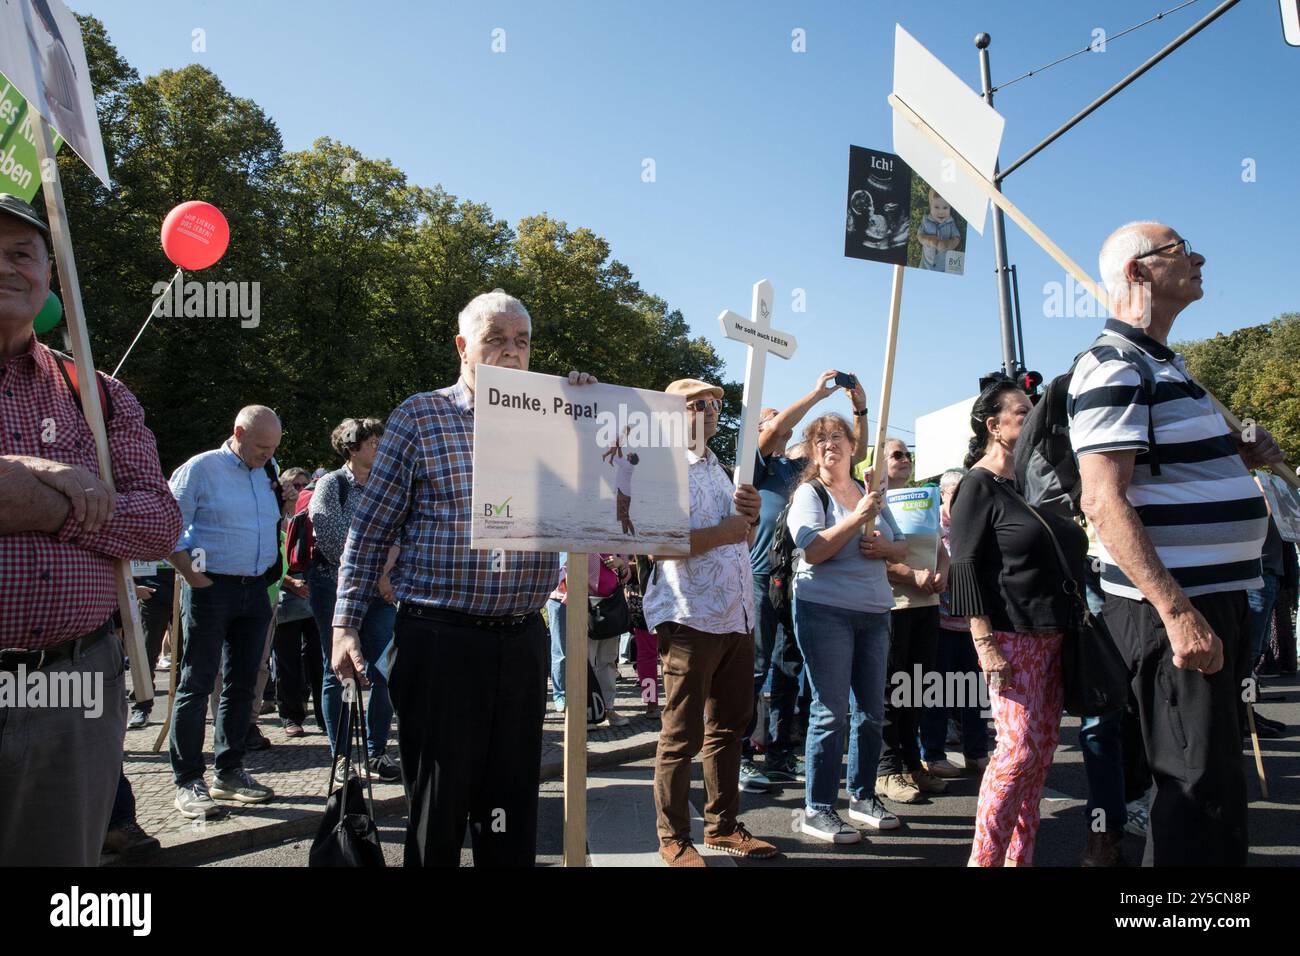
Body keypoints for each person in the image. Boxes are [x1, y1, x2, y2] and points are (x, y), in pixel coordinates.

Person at [331, 289, 597, 866]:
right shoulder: (421, 416)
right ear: (462, 347)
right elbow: (370, 529)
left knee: (511, 805)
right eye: (495, 340)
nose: (511, 353)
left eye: (521, 342)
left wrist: (590, 414)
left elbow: (603, 496)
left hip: (523, 638)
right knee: (439, 807)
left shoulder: (556, 419)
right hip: (441, 641)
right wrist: (345, 625)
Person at [1071, 222, 1282, 866]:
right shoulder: (1112, 364)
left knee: (1216, 778)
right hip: (1174, 607)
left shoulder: (1168, 364)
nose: (1198, 257)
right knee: (1191, 786)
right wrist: (1176, 610)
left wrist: (1240, 454)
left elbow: (1169, 477)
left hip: (1214, 596)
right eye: (1179, 249)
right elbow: (1102, 499)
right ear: (1137, 273)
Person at [0, 194, 182, 866]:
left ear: (51, 273)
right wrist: (38, 472)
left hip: (72, 690)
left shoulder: (95, 394)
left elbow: (159, 524)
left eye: (22, 252)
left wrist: (47, 508)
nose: (7, 267)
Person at [949, 381, 1087, 866]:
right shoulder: (977, 484)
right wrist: (984, 643)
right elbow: (963, 564)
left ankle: (1019, 858)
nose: (1034, 420)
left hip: (1057, 634)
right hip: (1011, 636)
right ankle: (984, 860)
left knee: (1041, 755)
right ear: (995, 426)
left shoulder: (1032, 485)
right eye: (1023, 412)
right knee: (1017, 755)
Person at [643, 377, 778, 866]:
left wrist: (753, 517)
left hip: (734, 614)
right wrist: (726, 531)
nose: (712, 410)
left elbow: (740, 537)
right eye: (699, 403)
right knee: (681, 733)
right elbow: (657, 543)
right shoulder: (660, 464)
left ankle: (722, 826)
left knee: (729, 725)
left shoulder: (721, 467)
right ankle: (673, 837)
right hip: (688, 616)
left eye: (717, 403)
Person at [746, 370, 869, 793]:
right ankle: (742, 755)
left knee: (785, 668)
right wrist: (817, 394)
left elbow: (856, 453)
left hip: (793, 580)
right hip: (759, 577)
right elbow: (779, 428)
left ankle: (779, 756)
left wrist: (860, 407)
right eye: (770, 418)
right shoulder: (756, 465)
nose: (780, 419)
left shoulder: (800, 470)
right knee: (756, 667)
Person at [787, 413, 906, 842]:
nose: (828, 444)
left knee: (871, 713)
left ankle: (861, 795)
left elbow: (900, 543)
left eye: (837, 436)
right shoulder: (809, 493)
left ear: (854, 447)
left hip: (874, 612)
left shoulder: (870, 491)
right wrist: (857, 520)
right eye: (819, 439)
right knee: (830, 711)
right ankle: (818, 807)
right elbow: (814, 550)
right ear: (811, 450)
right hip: (824, 610)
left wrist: (884, 546)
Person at [167, 405, 284, 818]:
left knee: (243, 684)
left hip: (255, 589)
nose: (266, 455)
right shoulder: (200, 469)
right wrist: (194, 578)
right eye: (260, 447)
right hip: (211, 587)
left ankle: (230, 771)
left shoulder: (266, 471)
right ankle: (188, 779)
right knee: (196, 683)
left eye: (272, 448)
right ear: (237, 432)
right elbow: (168, 527)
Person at [309, 418, 400, 782]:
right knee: (339, 672)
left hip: (380, 595)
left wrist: (383, 571)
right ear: (352, 447)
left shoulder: (389, 487)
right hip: (335, 589)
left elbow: (401, 533)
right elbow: (331, 537)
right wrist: (378, 570)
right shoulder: (332, 485)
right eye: (374, 441)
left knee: (382, 670)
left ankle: (376, 752)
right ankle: (343, 757)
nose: (381, 447)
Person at [877, 437, 950, 803]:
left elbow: (941, 548)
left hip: (927, 604)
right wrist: (911, 575)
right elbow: (874, 555)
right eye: (897, 455)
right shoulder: (875, 503)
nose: (906, 460)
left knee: (916, 689)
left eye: (908, 455)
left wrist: (942, 574)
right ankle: (887, 770)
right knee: (891, 690)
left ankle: (911, 763)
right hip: (894, 606)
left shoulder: (925, 499)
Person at [919, 467, 990, 776]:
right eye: (958, 494)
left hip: (973, 626)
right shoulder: (930, 527)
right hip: (939, 624)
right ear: (943, 495)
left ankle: (976, 753)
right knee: (937, 693)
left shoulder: (977, 524)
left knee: (975, 693)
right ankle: (932, 755)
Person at [918, 189, 961, 272]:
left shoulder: (951, 223)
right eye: (936, 207)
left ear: (950, 208)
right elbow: (920, 235)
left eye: (945, 208)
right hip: (925, 265)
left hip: (943, 267)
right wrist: (929, 240)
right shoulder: (926, 221)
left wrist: (947, 244)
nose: (941, 212)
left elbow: (957, 238)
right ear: (930, 206)